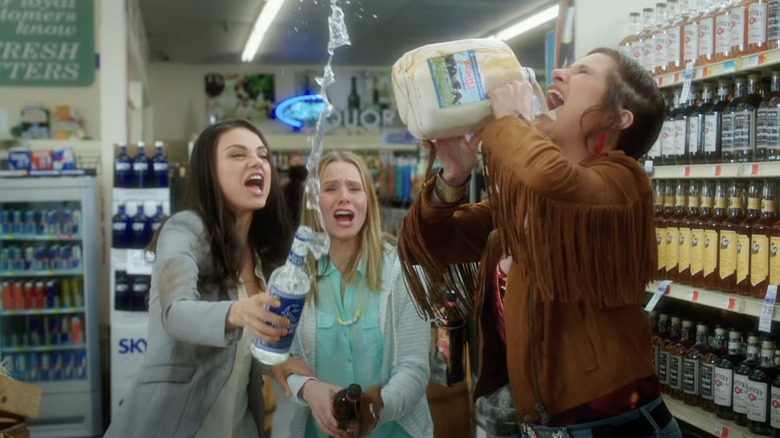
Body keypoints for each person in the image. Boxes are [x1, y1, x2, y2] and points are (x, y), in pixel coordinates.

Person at [398, 48, 682, 438]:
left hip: (620, 426)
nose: (558, 72)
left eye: (582, 71)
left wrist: (512, 121)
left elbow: (554, 181)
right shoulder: (524, 202)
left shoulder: (623, 184)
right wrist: (453, 175)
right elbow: (426, 245)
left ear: (618, 117)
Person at [105, 119, 314, 438]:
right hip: (171, 426)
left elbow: (246, 353)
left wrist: (278, 365)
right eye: (237, 154)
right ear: (209, 172)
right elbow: (175, 313)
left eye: (261, 155)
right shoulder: (183, 231)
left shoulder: (262, 256)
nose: (256, 162)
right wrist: (237, 313)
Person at [273, 151, 433, 438]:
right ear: (314, 204)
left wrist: (376, 409)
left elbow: (415, 367)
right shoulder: (289, 281)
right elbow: (281, 360)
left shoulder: (404, 272)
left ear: (368, 202)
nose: (344, 197)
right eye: (330, 188)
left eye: (354, 188)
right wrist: (310, 389)